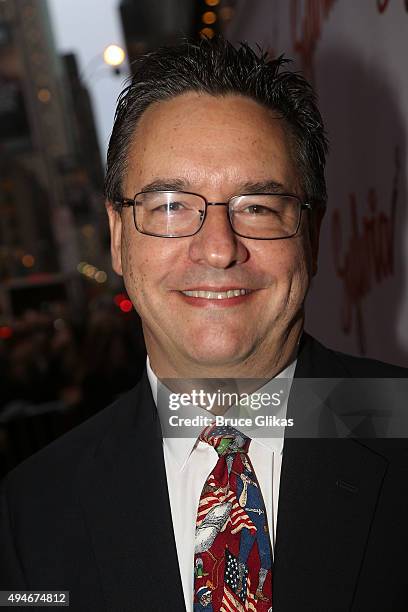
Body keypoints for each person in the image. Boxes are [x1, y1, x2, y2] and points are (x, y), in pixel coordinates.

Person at [1, 38, 407, 612]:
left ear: (311, 239)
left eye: (257, 208)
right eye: (170, 206)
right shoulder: (30, 511)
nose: (217, 250)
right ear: (118, 238)